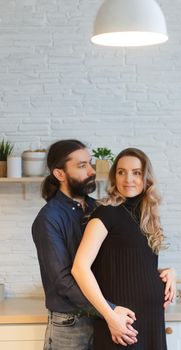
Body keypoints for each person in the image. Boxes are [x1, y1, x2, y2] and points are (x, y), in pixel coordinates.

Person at [32, 140, 139, 350]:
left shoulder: (98, 208)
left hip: (103, 319)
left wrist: (164, 272)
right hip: (70, 325)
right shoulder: (48, 219)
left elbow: (121, 256)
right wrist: (109, 310)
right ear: (60, 174)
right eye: (82, 166)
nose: (91, 171)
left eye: (90, 163)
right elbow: (63, 281)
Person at [71, 147, 175, 349]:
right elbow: (79, 268)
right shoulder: (106, 213)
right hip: (123, 325)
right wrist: (110, 317)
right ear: (114, 177)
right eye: (121, 172)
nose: (128, 178)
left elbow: (131, 265)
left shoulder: (147, 216)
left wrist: (166, 272)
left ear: (146, 178)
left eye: (136, 172)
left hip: (151, 321)